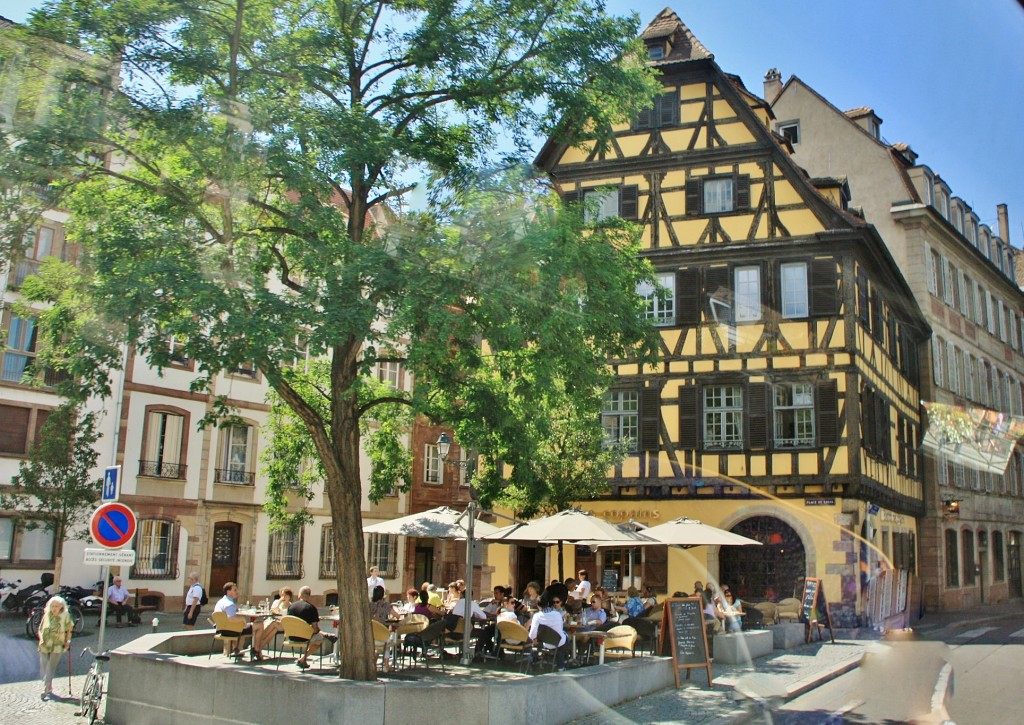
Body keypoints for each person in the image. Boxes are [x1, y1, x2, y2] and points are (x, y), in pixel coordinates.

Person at [214, 582, 266, 660]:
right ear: (228, 592)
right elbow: (231, 618)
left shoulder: (220, 602)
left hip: (221, 629)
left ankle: (237, 649)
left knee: (242, 625)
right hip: (232, 631)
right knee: (260, 625)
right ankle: (257, 649)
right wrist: (242, 619)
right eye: (235, 590)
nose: (237, 591)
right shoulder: (229, 604)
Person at [37, 595, 72, 700]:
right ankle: (48, 684)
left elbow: (69, 629)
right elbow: (40, 629)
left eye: (57, 606)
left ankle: (46, 687)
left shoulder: (65, 615)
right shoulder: (46, 615)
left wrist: (68, 641)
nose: (54, 608)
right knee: (43, 664)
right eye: (52, 606)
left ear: (61, 606)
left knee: (51, 666)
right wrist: (41, 639)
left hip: (58, 644)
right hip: (45, 643)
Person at [286, 586, 326, 669]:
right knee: (320, 639)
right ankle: (303, 658)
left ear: (299, 594)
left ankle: (303, 660)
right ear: (309, 596)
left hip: (291, 636)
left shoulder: (291, 607)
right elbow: (315, 629)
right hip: (305, 638)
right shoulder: (312, 608)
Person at [528, 591, 568, 670]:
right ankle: (561, 665)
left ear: (538, 606)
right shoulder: (557, 614)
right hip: (558, 642)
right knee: (565, 637)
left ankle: (534, 660)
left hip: (545, 642)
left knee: (536, 640)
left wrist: (536, 638)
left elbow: (532, 634)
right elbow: (560, 628)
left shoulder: (537, 616)